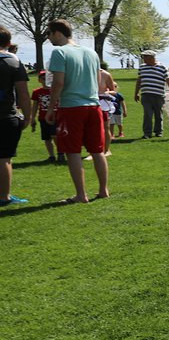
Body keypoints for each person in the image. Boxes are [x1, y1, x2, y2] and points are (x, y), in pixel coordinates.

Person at [44, 19, 108, 204]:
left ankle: (81, 195)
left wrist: (50, 108)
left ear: (57, 33)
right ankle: (103, 190)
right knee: (97, 150)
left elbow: (58, 83)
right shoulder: (91, 52)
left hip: (71, 107)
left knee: (72, 151)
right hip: (93, 106)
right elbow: (97, 81)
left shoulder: (59, 52)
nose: (48, 38)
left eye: (49, 34)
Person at [0, 26, 31, 205]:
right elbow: (23, 93)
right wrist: (27, 116)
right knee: (4, 158)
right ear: (9, 43)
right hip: (6, 116)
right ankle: (4, 197)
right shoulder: (14, 61)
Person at [134, 50, 169, 139]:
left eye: (145, 57)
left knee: (158, 114)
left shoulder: (162, 67)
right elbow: (139, 80)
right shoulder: (142, 67)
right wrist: (136, 93)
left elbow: (168, 80)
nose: (143, 59)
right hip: (146, 94)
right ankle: (147, 133)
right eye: (143, 57)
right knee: (147, 114)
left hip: (158, 95)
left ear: (152, 57)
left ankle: (158, 131)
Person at [30, 71, 62, 164]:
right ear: (39, 80)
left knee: (55, 135)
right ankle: (51, 156)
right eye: (43, 78)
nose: (45, 80)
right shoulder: (37, 92)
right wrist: (32, 118)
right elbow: (35, 105)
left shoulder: (56, 90)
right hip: (43, 117)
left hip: (55, 117)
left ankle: (60, 153)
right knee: (47, 138)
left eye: (47, 78)